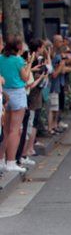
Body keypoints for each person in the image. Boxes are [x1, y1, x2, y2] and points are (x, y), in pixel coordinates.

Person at [0, 36, 33, 173]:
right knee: (16, 129)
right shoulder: (19, 60)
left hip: (4, 92)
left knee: (5, 130)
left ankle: (1, 159)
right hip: (17, 93)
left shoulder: (1, 58)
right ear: (18, 47)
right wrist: (29, 63)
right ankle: (11, 161)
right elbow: (25, 77)